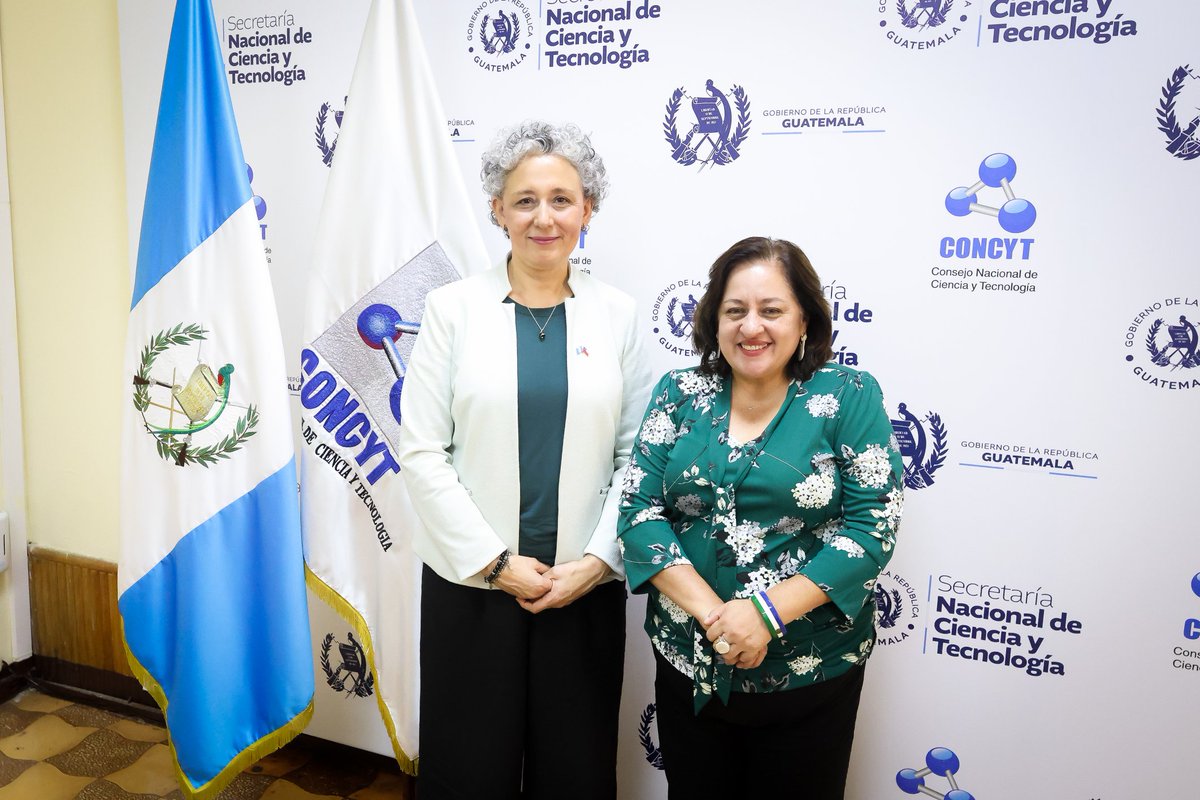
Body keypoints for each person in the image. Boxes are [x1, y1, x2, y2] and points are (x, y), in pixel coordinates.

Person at [398, 120, 651, 800]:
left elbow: (639, 459)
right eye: (526, 200)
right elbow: (421, 451)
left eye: (563, 199)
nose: (545, 217)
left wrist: (598, 562)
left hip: (581, 590)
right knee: (467, 770)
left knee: (574, 772)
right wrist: (495, 563)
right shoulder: (449, 311)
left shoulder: (621, 317)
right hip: (473, 586)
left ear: (588, 210)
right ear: (497, 211)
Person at [618, 236, 903, 798]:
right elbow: (637, 512)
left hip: (809, 674)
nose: (752, 327)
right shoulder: (679, 392)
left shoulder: (847, 395)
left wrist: (766, 615)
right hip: (689, 659)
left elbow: (872, 528)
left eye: (772, 310)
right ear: (713, 320)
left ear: (805, 321)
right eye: (735, 311)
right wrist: (717, 620)